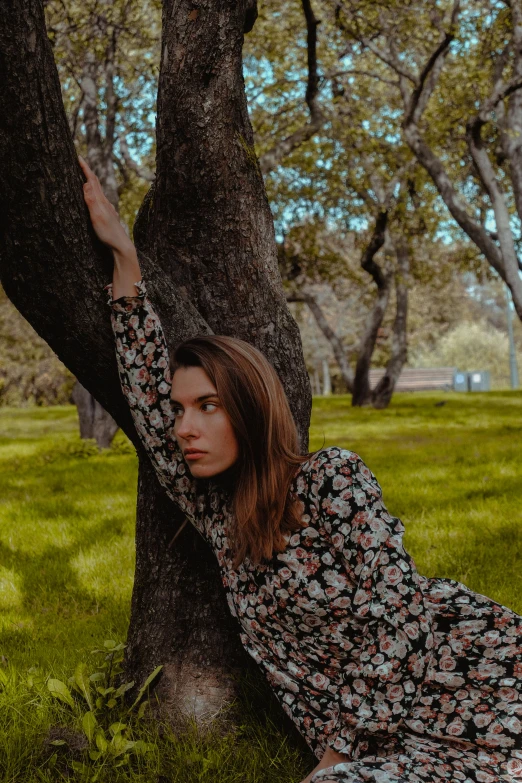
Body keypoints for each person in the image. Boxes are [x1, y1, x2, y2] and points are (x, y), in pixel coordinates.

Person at [79, 156, 522, 783]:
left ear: (251, 410)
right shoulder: (218, 515)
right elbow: (148, 404)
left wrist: (337, 755)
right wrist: (124, 258)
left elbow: (397, 617)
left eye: (209, 406)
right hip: (393, 744)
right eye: (182, 410)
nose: (185, 427)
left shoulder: (330, 480)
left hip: (474, 686)